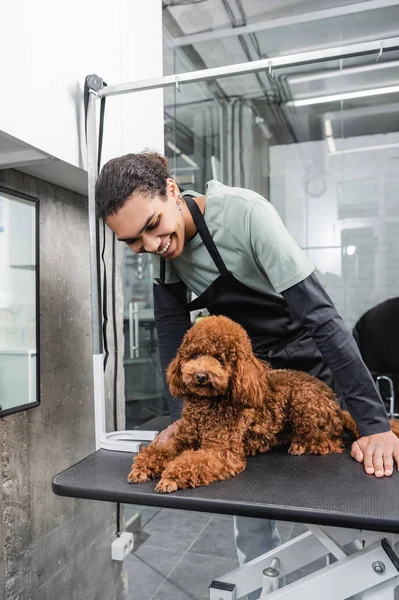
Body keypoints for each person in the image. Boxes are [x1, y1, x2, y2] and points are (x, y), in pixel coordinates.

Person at [96, 151, 399, 600]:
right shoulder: (165, 255)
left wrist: (373, 425)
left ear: (173, 191)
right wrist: (187, 417)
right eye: (133, 242)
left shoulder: (246, 215)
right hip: (247, 375)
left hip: (308, 365)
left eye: (153, 226)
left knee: (348, 505)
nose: (151, 244)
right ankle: (256, 589)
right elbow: (174, 335)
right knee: (249, 506)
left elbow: (322, 317)